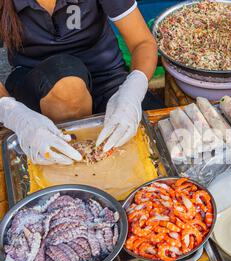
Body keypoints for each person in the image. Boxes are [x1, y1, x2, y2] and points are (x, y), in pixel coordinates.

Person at [0, 0, 159, 165]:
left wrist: (133, 89)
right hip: (35, 86)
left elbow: (142, 42)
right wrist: (13, 113)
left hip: (106, 77)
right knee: (67, 88)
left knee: (167, 139)